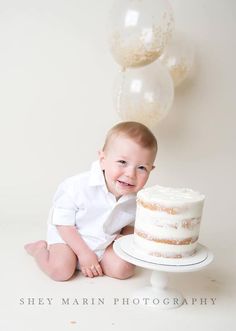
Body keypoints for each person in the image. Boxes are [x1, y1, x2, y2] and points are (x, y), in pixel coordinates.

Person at [25, 121, 157, 281]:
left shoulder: (138, 199)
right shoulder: (76, 187)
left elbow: (127, 226)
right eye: (122, 162)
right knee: (61, 270)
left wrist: (131, 237)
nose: (130, 174)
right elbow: (63, 225)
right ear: (102, 159)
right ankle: (39, 250)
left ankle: (87, 263)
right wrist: (84, 253)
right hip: (68, 238)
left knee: (124, 269)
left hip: (103, 241)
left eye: (142, 168)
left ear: (151, 169)